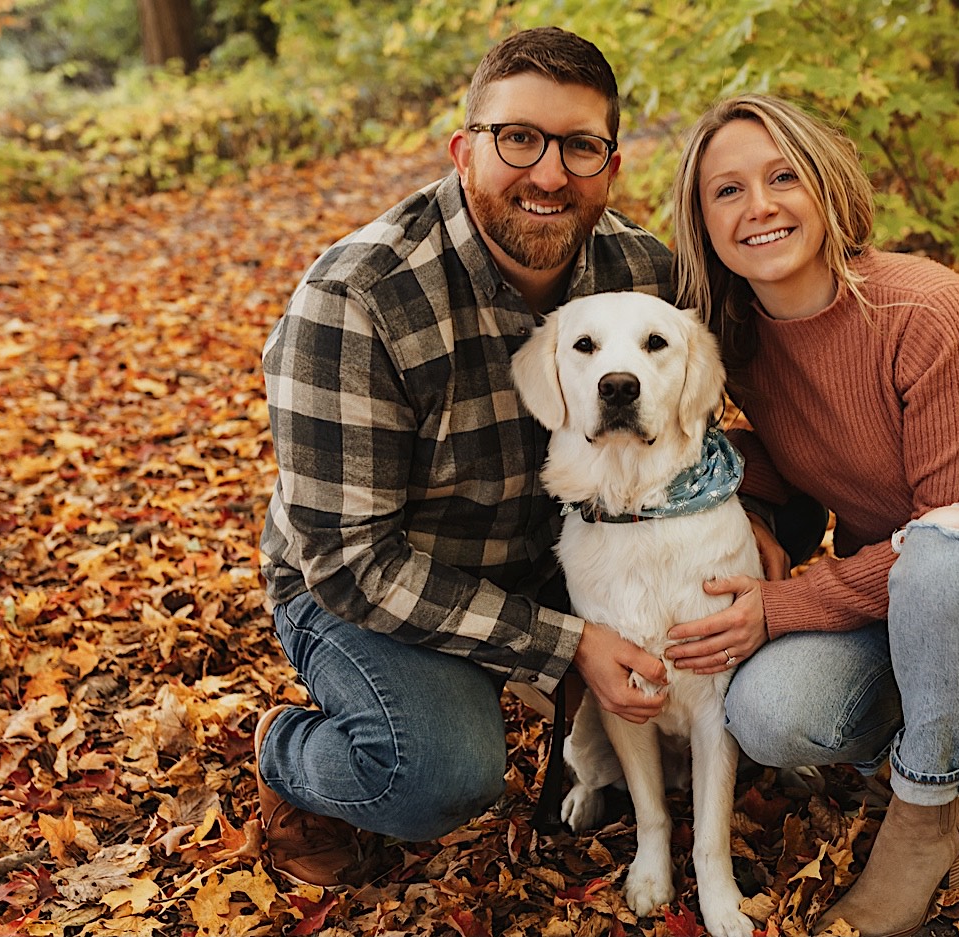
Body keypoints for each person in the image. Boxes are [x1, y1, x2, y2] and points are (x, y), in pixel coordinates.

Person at [663, 94, 959, 936]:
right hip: (901, 590)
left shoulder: (924, 308)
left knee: (949, 548)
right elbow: (803, 449)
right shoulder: (737, 338)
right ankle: (936, 719)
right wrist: (750, 504)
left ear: (827, 186)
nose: (760, 206)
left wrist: (782, 607)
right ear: (702, 221)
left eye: (782, 177)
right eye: (726, 191)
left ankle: (924, 814)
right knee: (769, 714)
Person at [253, 27, 676, 887]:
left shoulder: (643, 272)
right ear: (463, 150)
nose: (550, 174)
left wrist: (757, 506)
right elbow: (350, 564)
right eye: (518, 138)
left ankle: (563, 707)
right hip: (379, 587)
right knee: (437, 774)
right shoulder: (358, 297)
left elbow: (720, 402)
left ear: (611, 163)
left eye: (579, 146)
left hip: (562, 556)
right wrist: (565, 646)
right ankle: (286, 756)